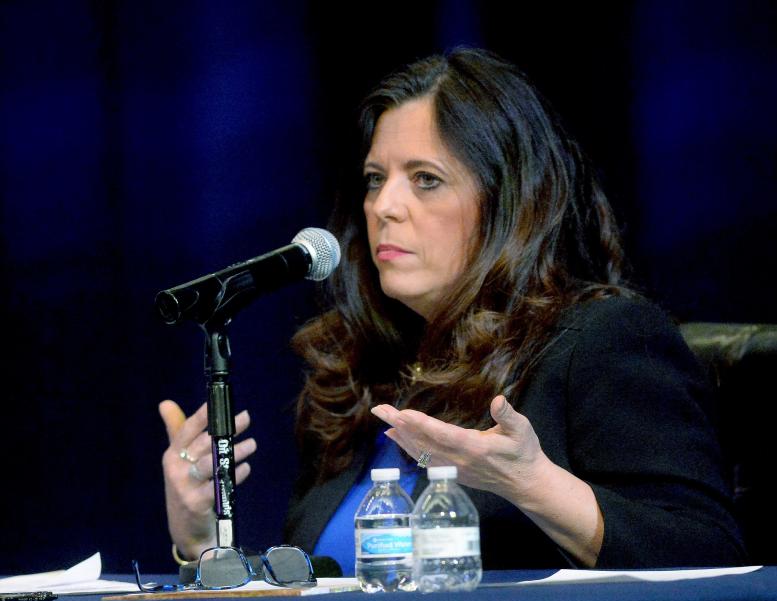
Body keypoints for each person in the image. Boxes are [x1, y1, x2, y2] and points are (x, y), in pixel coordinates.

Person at [160, 47, 746, 572]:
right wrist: (199, 540)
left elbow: (707, 552)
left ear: (507, 202)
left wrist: (533, 484)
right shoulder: (361, 374)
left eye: (425, 179)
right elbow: (333, 592)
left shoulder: (601, 339)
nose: (384, 206)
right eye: (374, 178)